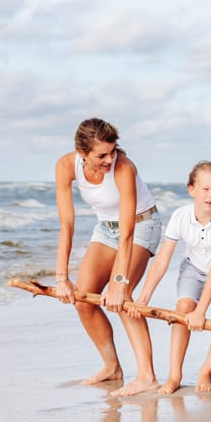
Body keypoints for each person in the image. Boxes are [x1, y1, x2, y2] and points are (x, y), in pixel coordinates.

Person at [54, 117, 162, 395]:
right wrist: (62, 277)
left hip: (141, 225)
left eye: (112, 151)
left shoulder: (123, 168)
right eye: (101, 155)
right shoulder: (66, 166)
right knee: (84, 299)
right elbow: (66, 224)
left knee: (123, 299)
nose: (109, 159)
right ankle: (112, 367)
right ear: (82, 153)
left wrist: (119, 280)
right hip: (105, 229)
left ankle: (147, 376)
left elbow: (127, 233)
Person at [128, 160, 211, 394]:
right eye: (205, 189)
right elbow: (161, 260)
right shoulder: (180, 216)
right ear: (191, 189)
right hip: (192, 269)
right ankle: (174, 376)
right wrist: (143, 298)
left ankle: (206, 372)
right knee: (183, 308)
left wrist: (201, 311)